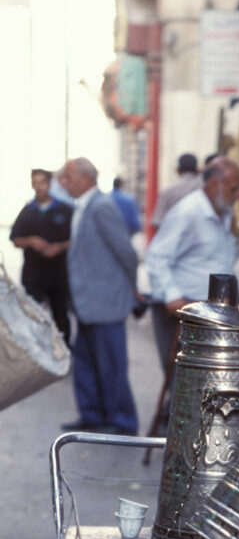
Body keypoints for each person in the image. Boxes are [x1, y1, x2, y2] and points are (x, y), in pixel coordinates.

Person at [60, 157, 139, 434]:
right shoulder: (84, 206)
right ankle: (92, 414)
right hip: (86, 303)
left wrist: (134, 287)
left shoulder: (102, 205)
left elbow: (126, 252)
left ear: (84, 178)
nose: (62, 182)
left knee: (111, 365)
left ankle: (122, 420)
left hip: (105, 302)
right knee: (86, 363)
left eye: (67, 177)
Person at [145, 158, 239, 372]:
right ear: (216, 184)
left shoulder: (224, 212)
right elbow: (156, 256)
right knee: (184, 383)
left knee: (208, 382)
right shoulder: (188, 211)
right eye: (234, 189)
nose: (238, 195)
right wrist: (172, 296)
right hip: (184, 311)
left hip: (214, 312)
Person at [9, 168, 72, 342]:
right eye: (35, 182)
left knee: (60, 314)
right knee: (33, 313)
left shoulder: (65, 210)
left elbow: (76, 240)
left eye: (42, 182)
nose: (39, 187)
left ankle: (64, 351)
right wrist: (31, 241)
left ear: (49, 184)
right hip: (33, 273)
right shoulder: (27, 211)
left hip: (58, 273)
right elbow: (15, 239)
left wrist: (59, 247)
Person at [150, 153, 202, 232]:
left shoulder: (168, 192)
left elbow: (157, 222)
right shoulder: (204, 191)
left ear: (177, 170)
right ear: (197, 170)